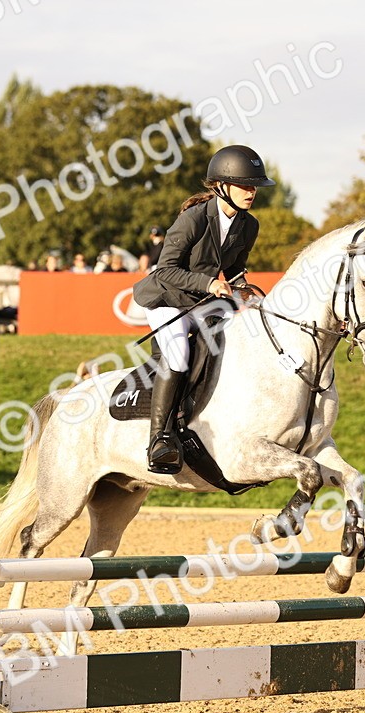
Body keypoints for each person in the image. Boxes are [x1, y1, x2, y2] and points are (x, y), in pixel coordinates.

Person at [130, 144, 272, 474]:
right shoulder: (192, 220)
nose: (252, 193)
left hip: (199, 301)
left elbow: (235, 268)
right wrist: (209, 285)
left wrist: (242, 289)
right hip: (166, 299)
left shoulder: (249, 225)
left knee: (233, 335)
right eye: (245, 186)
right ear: (221, 186)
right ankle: (159, 439)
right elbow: (164, 270)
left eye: (254, 187)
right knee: (178, 351)